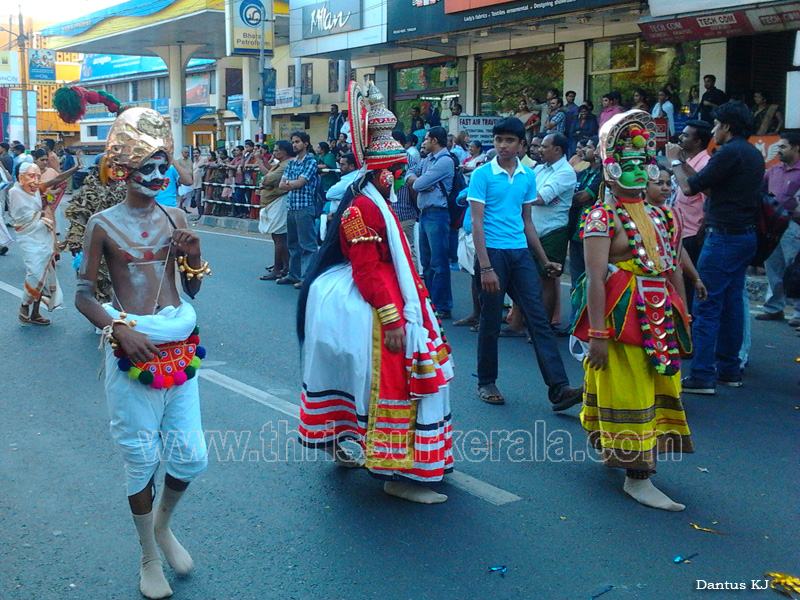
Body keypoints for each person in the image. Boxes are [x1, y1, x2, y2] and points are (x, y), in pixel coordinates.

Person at [298, 81, 453, 504]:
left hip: (398, 295)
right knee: (392, 385)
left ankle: (398, 456)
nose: (403, 178)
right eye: (399, 171)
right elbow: (367, 270)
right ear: (384, 173)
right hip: (376, 305)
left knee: (394, 382)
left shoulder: (376, 201)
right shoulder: (361, 208)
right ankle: (395, 472)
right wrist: (391, 318)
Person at [75, 108, 209, 599]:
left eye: (163, 167)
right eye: (147, 168)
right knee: (139, 460)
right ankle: (147, 555)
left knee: (191, 457)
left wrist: (193, 255)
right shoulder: (102, 223)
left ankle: (162, 526)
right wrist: (118, 329)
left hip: (179, 348)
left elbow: (192, 289)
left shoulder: (176, 216)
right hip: (132, 352)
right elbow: (84, 293)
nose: (157, 177)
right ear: (123, 171)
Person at [572, 109, 693, 511]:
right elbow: (592, 279)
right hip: (623, 321)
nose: (639, 172)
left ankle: (625, 456)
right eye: (628, 164)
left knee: (660, 387)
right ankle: (637, 477)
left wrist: (684, 316)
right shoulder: (601, 218)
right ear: (610, 169)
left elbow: (672, 265)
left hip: (661, 318)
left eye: (644, 163)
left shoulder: (663, 214)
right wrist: (599, 337)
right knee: (628, 390)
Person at [468, 117, 581, 408]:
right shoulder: (482, 174)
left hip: (520, 254)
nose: (502, 146)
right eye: (498, 140)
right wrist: (486, 267)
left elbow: (527, 221)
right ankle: (486, 381)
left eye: (509, 141)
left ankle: (559, 388)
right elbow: (477, 223)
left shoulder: (527, 176)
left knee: (539, 321)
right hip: (492, 253)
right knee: (491, 321)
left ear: (520, 145)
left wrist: (544, 261)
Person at [668, 101, 764, 394]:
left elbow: (689, 188)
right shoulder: (752, 154)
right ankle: (729, 369)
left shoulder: (729, 153)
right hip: (743, 236)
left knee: (706, 303)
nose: (714, 130)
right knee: (732, 303)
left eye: (717, 124)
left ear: (728, 126)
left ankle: (702, 374)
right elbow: (708, 185)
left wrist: (674, 161)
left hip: (724, 237)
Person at [8, 162, 63, 325]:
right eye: (32, 176)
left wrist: (74, 169)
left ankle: (36, 313)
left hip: (42, 233)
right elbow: (24, 218)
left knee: (44, 273)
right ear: (21, 177)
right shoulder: (14, 191)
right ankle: (25, 305)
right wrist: (41, 218)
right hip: (28, 235)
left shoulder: (36, 189)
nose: (36, 180)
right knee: (35, 272)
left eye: (38, 176)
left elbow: (56, 181)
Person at [408, 125, 454, 318]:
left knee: (438, 261)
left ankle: (442, 305)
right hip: (425, 213)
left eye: (426, 139)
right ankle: (430, 301)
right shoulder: (428, 160)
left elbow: (418, 183)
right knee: (426, 261)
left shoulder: (445, 161)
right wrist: (421, 181)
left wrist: (421, 181)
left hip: (438, 214)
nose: (423, 143)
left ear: (435, 140)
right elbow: (410, 173)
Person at [532, 133, 576, 324]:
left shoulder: (565, 172)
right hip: (532, 229)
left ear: (557, 149)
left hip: (552, 231)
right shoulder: (540, 169)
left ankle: (544, 325)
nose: (540, 150)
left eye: (544, 146)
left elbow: (540, 197)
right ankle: (520, 323)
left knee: (547, 280)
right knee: (527, 279)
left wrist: (516, 195)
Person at [756, 132, 800, 325]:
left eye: (783, 147)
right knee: (773, 267)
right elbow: (761, 189)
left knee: (795, 267)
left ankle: (798, 311)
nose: (779, 150)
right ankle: (774, 308)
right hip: (774, 224)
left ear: (796, 148)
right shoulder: (773, 170)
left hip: (794, 226)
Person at [670, 120, 712, 313]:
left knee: (688, 287)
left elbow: (697, 194)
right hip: (679, 231)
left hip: (693, 235)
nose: (681, 137)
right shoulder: (688, 162)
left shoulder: (705, 163)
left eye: (686, 135)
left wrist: (676, 161)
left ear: (697, 142)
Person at [279, 131, 320, 288]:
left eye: (297, 142)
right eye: (293, 142)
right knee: (293, 244)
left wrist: (290, 183)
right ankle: (293, 274)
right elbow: (282, 184)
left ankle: (307, 277)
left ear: (305, 143)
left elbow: (300, 183)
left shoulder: (310, 161)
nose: (294, 145)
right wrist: (292, 183)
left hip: (304, 206)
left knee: (308, 245)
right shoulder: (291, 162)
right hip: (291, 206)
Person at [567, 136, 602, 313]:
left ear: (597, 151)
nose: (583, 150)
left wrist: (564, 199)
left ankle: (586, 322)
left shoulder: (602, 175)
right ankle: (575, 323)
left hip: (593, 235)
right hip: (576, 233)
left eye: (588, 147)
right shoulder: (584, 172)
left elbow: (583, 197)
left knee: (590, 279)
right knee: (576, 280)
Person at [258, 140, 293, 281]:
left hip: (278, 202)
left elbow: (267, 179)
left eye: (276, 150)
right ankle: (285, 266)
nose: (274, 153)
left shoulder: (286, 164)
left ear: (283, 152)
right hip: (273, 202)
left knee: (279, 236)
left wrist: (264, 183)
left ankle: (279, 269)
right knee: (277, 236)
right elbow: (267, 178)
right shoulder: (281, 164)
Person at [322, 152, 360, 240]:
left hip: (342, 217)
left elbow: (329, 194)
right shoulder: (356, 176)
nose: (340, 167)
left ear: (351, 166)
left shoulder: (349, 179)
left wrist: (340, 197)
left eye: (343, 164)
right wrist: (342, 197)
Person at [190, 149, 208, 219]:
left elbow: (202, 166)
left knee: (199, 200)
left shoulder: (202, 160)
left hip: (200, 184)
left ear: (199, 153)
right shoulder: (194, 162)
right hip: (195, 184)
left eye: (197, 153)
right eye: (194, 153)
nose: (195, 154)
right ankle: (200, 213)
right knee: (197, 200)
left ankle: (201, 214)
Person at [174, 148, 194, 212]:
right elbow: (176, 171)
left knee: (188, 195)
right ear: (182, 152)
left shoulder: (190, 160)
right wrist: (178, 181)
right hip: (183, 180)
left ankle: (184, 207)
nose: (187, 154)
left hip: (190, 179)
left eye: (188, 152)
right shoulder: (178, 160)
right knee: (184, 194)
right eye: (186, 152)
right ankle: (180, 205)